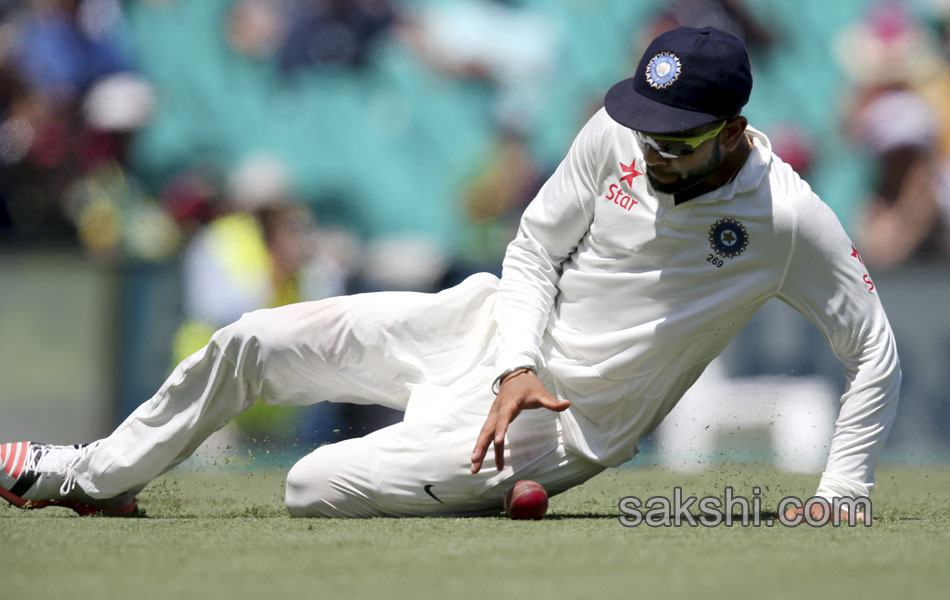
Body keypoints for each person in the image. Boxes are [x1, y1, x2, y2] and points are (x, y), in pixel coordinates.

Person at [0, 27, 900, 519]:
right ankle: (94, 474)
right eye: (647, 129)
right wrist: (514, 360)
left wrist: (842, 491)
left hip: (555, 434)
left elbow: (875, 351)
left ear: (735, 132)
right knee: (251, 341)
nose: (652, 150)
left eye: (678, 140)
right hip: (479, 330)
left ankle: (470, 487)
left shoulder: (785, 220)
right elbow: (534, 250)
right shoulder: (618, 133)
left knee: (309, 486)